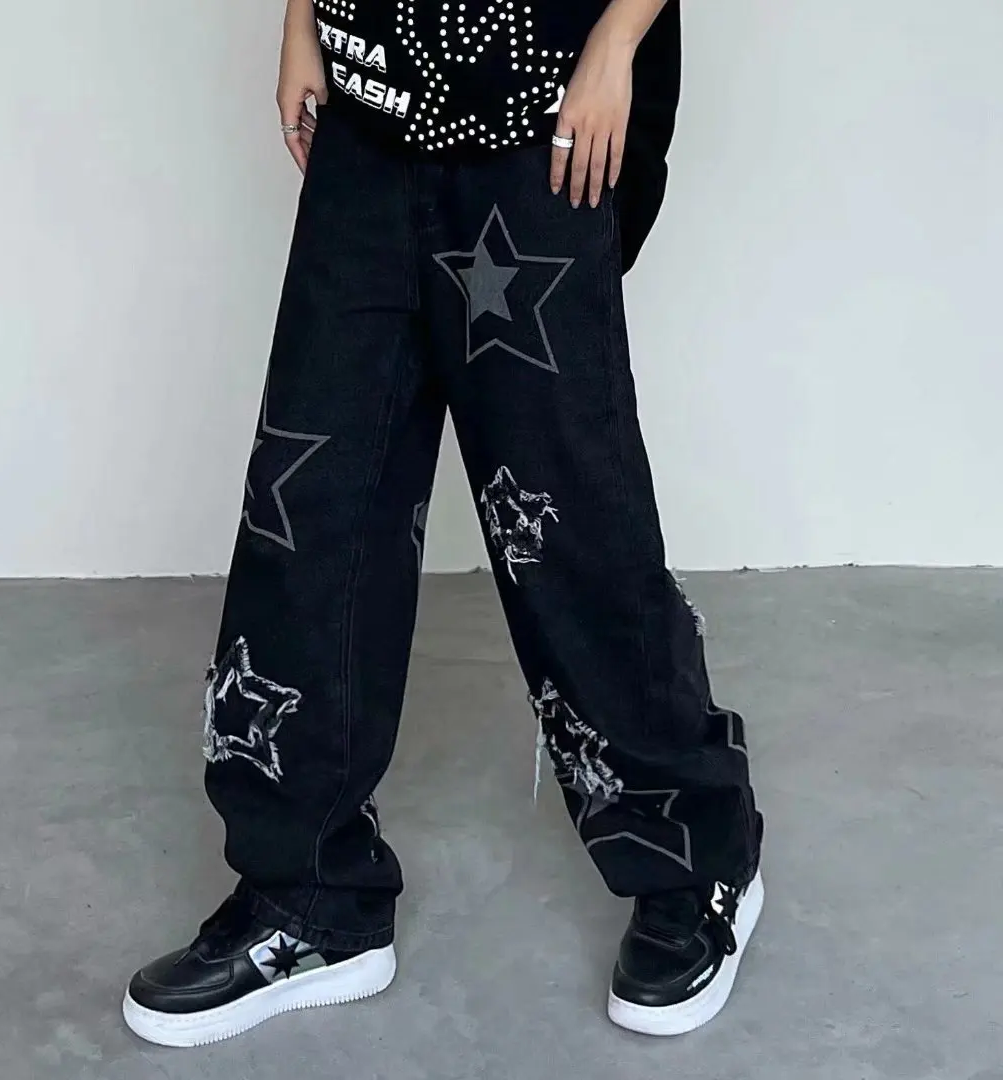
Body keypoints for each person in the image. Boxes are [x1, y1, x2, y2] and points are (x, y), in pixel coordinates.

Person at [123, 0, 764, 1047]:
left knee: (568, 517)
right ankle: (309, 893)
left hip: (542, 114)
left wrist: (617, 46)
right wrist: (300, 20)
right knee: (313, 500)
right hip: (369, 106)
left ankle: (697, 857)